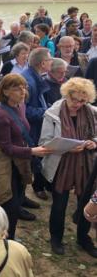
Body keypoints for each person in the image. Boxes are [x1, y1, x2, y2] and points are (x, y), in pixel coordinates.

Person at [0, 74, 52, 239]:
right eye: (16, 88)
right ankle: (3, 240)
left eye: (24, 87)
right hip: (3, 164)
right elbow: (6, 148)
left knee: (17, 200)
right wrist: (32, 151)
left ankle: (9, 238)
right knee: (7, 205)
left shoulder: (20, 106)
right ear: (5, 91)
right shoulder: (0, 115)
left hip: (18, 162)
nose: (22, 92)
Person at [39, 78, 97, 255]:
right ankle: (56, 238)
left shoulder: (92, 112)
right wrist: (68, 147)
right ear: (66, 94)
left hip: (85, 164)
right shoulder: (53, 113)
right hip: (61, 164)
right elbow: (45, 142)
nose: (78, 104)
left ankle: (83, 238)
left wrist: (94, 142)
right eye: (74, 99)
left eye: (82, 101)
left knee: (86, 202)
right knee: (59, 204)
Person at [21, 48, 53, 200]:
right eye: (49, 59)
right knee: (24, 165)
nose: (51, 61)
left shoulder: (35, 76)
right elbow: (23, 110)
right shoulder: (28, 80)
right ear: (42, 63)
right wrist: (46, 112)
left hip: (36, 127)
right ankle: (20, 199)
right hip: (29, 130)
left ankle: (23, 197)